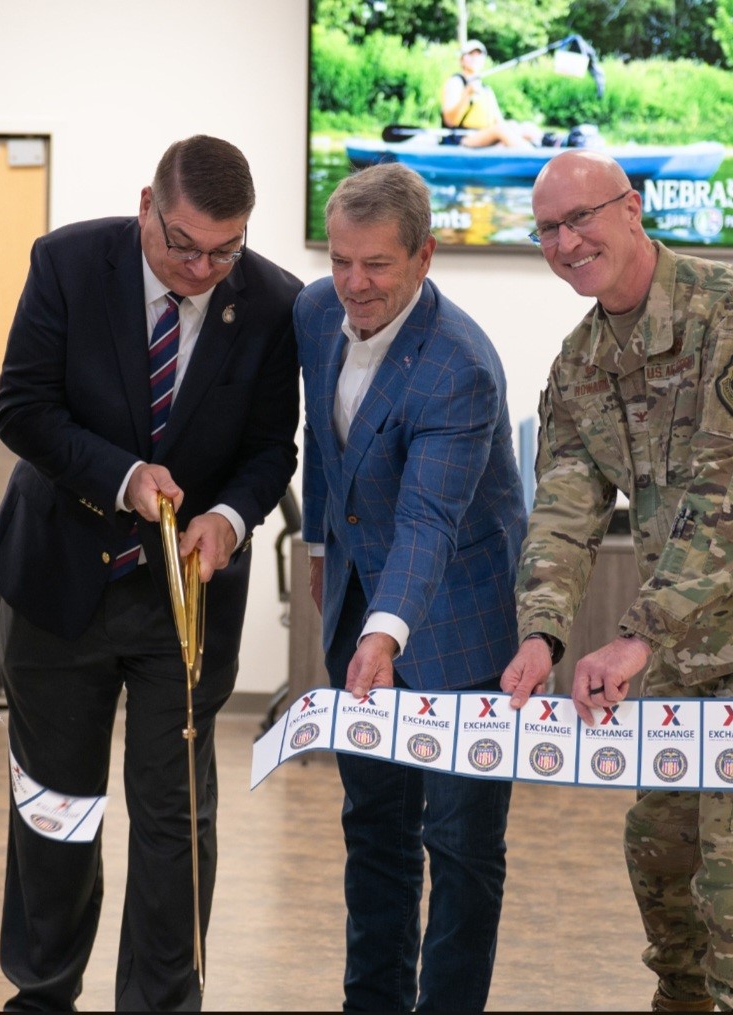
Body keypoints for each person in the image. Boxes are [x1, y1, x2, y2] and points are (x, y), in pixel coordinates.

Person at [500, 149, 733, 1012]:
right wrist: (543, 630)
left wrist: (637, 634)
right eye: (548, 229)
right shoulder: (580, 362)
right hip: (680, 635)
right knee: (662, 849)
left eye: (581, 217)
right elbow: (562, 505)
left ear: (632, 209)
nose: (566, 241)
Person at [0, 134, 301, 1011]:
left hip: (186, 596)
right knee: (57, 808)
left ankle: (161, 1004)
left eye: (225, 250)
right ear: (145, 208)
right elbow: (23, 409)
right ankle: (42, 993)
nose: (204, 269)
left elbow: (273, 447)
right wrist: (122, 477)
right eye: (185, 246)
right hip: (60, 583)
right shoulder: (69, 263)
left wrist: (230, 520)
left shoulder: (273, 301)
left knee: (174, 822)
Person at [296, 161, 526, 1012]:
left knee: (461, 843)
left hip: (462, 619)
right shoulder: (315, 312)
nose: (354, 284)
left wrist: (384, 630)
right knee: (377, 828)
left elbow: (429, 519)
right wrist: (321, 544)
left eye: (378, 265)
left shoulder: (457, 365)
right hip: (363, 607)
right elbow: (322, 438)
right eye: (341, 259)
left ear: (424, 257)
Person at [441, 38, 543, 149]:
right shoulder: (456, 82)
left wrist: (514, 129)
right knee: (501, 130)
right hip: (462, 137)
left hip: (484, 135)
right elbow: (449, 121)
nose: (475, 58)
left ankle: (550, 144)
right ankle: (532, 155)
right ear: (462, 60)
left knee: (523, 127)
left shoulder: (486, 90)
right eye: (470, 54)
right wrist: (467, 94)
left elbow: (499, 121)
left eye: (478, 55)